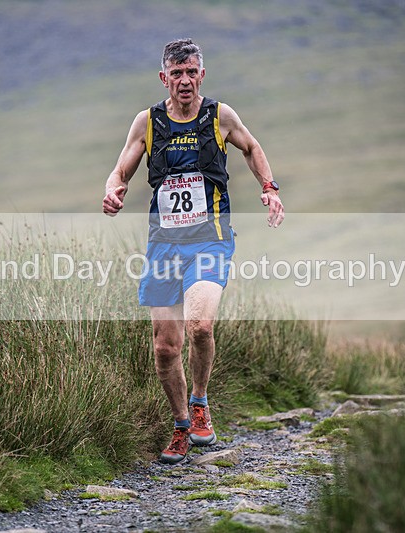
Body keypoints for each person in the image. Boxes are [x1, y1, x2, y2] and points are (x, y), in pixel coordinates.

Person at [102, 38, 284, 464]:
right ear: (164, 78)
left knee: (201, 326)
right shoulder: (146, 122)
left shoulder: (220, 116)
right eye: (176, 73)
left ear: (201, 75)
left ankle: (200, 402)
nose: (184, 80)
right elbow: (120, 168)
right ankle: (181, 424)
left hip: (210, 239)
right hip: (164, 246)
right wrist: (113, 191)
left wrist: (269, 188)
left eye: (191, 72)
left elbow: (253, 148)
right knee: (166, 347)